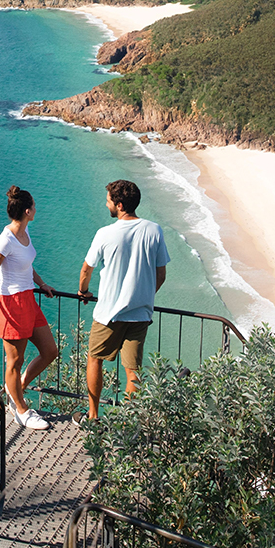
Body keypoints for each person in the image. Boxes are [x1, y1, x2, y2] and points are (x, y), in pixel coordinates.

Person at [0, 185, 60, 431]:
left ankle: (16, 388)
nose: (36, 210)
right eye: (35, 207)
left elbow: (26, 265)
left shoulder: (26, 234)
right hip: (11, 303)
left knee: (50, 350)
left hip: (29, 300)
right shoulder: (5, 240)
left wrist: (42, 283)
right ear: (28, 211)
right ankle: (20, 409)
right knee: (15, 360)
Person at [78, 179, 169, 420]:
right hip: (140, 313)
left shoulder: (105, 233)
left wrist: (83, 291)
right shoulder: (154, 230)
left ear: (119, 205)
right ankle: (127, 423)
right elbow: (161, 274)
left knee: (95, 359)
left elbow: (87, 269)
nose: (105, 203)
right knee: (132, 371)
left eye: (108, 200)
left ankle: (93, 416)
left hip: (108, 313)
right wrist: (144, 295)